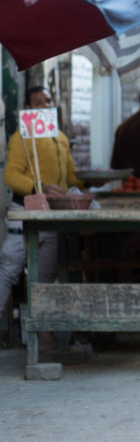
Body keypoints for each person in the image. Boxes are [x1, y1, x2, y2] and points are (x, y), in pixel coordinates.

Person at [0, 86, 86, 350]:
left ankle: (42, 336)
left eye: (47, 100)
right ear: (28, 109)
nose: (44, 105)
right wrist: (40, 187)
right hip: (24, 215)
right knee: (9, 270)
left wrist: (87, 183)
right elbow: (11, 176)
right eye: (37, 102)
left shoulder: (59, 137)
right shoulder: (21, 138)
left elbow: (70, 177)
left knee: (44, 279)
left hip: (53, 218)